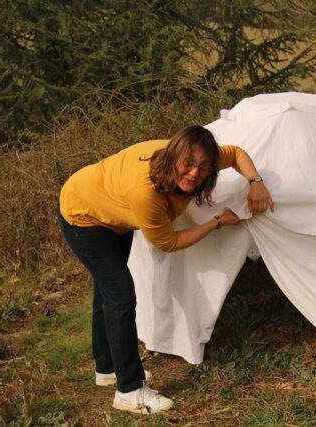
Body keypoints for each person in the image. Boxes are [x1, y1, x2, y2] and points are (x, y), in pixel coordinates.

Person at [57, 125, 273, 414]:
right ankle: (129, 390)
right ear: (173, 157)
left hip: (111, 211)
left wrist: (256, 182)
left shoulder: (197, 154)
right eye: (188, 164)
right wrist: (217, 222)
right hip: (83, 214)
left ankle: (108, 368)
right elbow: (169, 242)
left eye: (203, 166)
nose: (195, 173)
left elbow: (236, 154)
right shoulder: (145, 193)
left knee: (107, 292)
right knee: (120, 295)